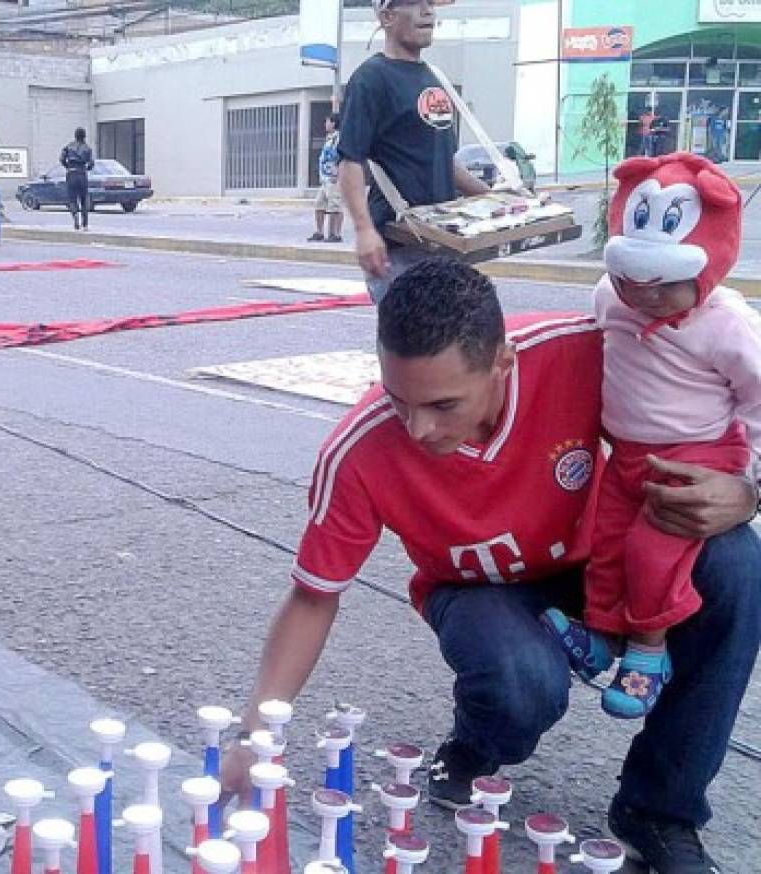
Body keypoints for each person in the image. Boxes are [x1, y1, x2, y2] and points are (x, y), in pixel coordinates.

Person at [219, 257, 760, 874]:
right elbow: (314, 595)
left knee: (737, 563)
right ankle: (476, 745)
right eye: (399, 398)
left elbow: (727, 379)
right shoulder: (360, 450)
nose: (417, 428)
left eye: (444, 405)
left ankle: (660, 809)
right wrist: (251, 735)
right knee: (519, 683)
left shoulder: (586, 351)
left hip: (602, 569)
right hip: (478, 592)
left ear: (503, 363)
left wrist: (747, 491)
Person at [540, 153, 761, 727]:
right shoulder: (609, 298)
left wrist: (749, 480)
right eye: (629, 280)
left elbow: (759, 399)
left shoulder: (727, 325)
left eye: (664, 286)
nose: (645, 297)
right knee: (608, 543)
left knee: (652, 549)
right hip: (628, 456)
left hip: (698, 455)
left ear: (708, 269)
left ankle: (648, 653)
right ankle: (602, 639)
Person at [336, 0, 489, 302]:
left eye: (430, 4)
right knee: (410, 347)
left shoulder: (433, 77)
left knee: (448, 346)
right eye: (415, 3)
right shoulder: (371, 78)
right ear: (387, 17)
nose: (428, 11)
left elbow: (445, 163)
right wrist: (364, 231)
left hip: (442, 242)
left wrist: (498, 198)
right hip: (400, 248)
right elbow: (350, 160)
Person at [308, 113, 344, 244]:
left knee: (335, 205)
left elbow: (343, 155)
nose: (325, 124)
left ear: (334, 123)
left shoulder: (339, 138)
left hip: (334, 178)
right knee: (319, 204)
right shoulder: (329, 138)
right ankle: (320, 232)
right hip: (325, 178)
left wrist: (338, 171)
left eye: (328, 121)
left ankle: (336, 234)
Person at [60, 127, 94, 231]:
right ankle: (85, 224)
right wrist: (86, 168)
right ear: (84, 136)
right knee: (84, 199)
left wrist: (68, 166)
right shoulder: (87, 148)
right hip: (82, 174)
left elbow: (61, 159)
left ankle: (75, 218)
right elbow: (91, 163)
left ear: (75, 135)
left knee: (72, 199)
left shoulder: (68, 147)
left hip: (71, 174)